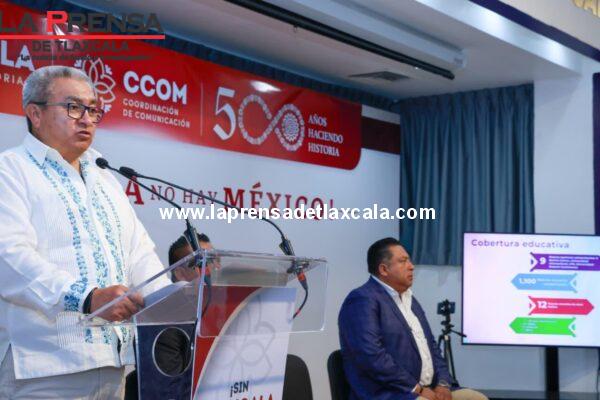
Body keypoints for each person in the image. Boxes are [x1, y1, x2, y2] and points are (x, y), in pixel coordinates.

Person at [0, 65, 170, 399]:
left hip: (113, 364)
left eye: (93, 110)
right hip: (44, 369)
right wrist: (87, 298)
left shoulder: (104, 177)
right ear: (35, 113)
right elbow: (9, 257)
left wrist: (169, 301)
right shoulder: (10, 170)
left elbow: (139, 254)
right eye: (73, 107)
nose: (87, 119)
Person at [338, 238, 488, 400]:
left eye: (409, 260)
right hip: (389, 393)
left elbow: (431, 346)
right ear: (384, 269)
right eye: (403, 261)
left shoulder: (410, 299)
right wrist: (416, 388)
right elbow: (372, 356)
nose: (411, 266)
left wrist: (443, 383)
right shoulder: (362, 300)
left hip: (427, 388)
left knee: (476, 398)